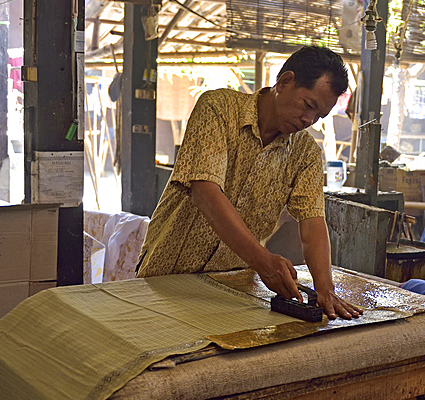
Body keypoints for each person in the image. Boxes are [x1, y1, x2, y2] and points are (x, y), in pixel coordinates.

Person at [138, 45, 361, 320]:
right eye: (308, 105)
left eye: (318, 117)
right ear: (285, 81)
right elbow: (205, 192)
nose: (308, 120)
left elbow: (313, 221)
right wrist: (263, 262)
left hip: (230, 288)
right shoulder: (218, 109)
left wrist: (325, 289)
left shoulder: (305, 153)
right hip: (167, 275)